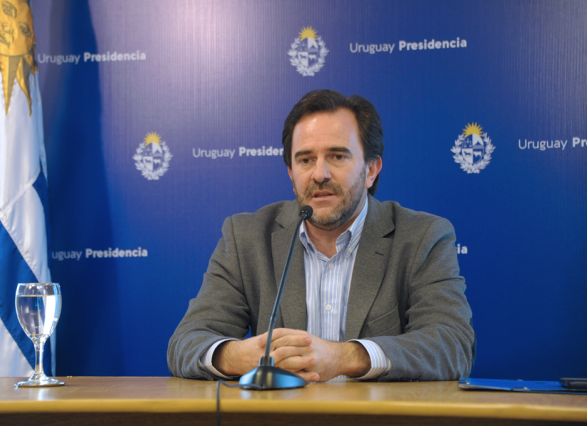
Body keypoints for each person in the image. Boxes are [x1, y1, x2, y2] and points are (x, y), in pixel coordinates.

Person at [168, 90, 474, 382]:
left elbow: (453, 345)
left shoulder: (422, 237)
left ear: (371, 169)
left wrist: (343, 357)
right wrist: (242, 356)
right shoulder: (247, 237)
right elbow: (186, 342)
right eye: (305, 160)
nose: (319, 174)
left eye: (337, 156)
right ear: (291, 173)